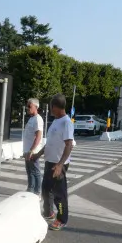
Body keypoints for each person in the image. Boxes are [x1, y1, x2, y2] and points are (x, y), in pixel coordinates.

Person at [32, 94, 74, 231]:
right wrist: (38, 154)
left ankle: (62, 220)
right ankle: (49, 213)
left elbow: (69, 145)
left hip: (58, 164)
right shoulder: (56, 121)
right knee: (45, 189)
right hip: (50, 162)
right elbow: (49, 143)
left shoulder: (66, 122)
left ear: (55, 107)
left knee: (59, 194)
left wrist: (60, 165)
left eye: (51, 107)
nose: (50, 109)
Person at [22, 97, 44, 195]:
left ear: (36, 106)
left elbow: (38, 137)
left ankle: (37, 192)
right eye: (27, 106)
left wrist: (31, 150)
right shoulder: (31, 118)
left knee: (35, 172)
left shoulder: (38, 119)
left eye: (29, 106)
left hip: (33, 151)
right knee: (29, 171)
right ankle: (30, 189)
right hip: (27, 150)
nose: (28, 108)